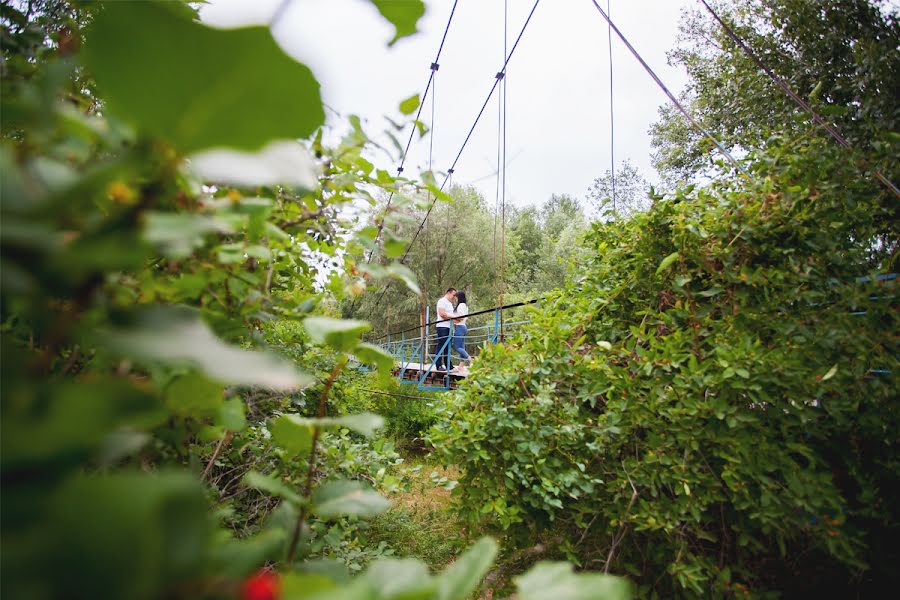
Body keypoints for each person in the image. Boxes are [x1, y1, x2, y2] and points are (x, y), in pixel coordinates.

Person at [434, 287, 456, 371]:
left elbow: (449, 315)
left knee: (448, 347)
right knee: (441, 346)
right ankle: (438, 365)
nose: (454, 297)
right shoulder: (442, 301)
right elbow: (442, 314)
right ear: (449, 293)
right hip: (442, 326)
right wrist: (454, 317)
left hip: (449, 327)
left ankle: (448, 365)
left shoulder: (450, 304)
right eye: (453, 295)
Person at [450, 291, 471, 374]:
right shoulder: (464, 305)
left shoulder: (461, 305)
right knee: (461, 347)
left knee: (456, 347)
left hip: (460, 327)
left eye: (456, 297)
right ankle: (461, 365)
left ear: (459, 297)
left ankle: (470, 359)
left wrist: (454, 320)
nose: (455, 298)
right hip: (462, 327)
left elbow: (461, 317)